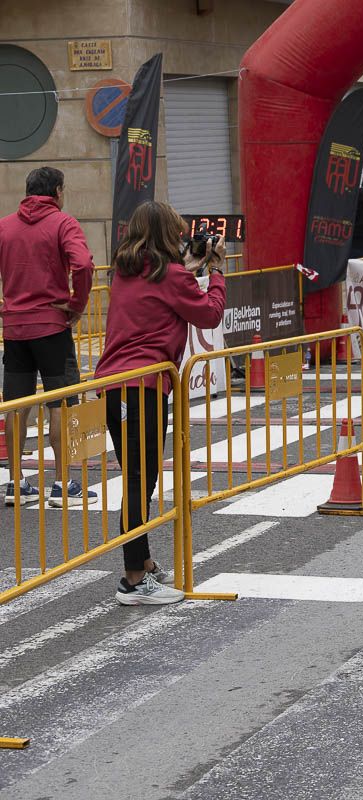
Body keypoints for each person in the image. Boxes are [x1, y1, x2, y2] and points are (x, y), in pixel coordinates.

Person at [94, 200, 226, 604]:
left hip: (116, 385)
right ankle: (134, 579)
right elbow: (209, 314)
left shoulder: (125, 271)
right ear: (168, 235)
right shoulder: (170, 276)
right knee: (140, 479)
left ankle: (143, 563)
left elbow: (164, 288)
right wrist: (216, 272)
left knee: (136, 475)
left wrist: (187, 266)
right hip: (146, 385)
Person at [0, 166, 96, 507]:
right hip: (52, 326)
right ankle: (61, 483)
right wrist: (76, 304)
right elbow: (83, 264)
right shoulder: (63, 223)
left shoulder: (5, 226)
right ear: (56, 191)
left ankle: (16, 483)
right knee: (61, 402)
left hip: (14, 328)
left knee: (17, 406)